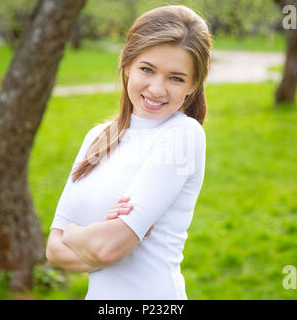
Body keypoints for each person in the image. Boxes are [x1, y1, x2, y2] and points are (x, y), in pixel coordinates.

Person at [46, 5, 212, 300]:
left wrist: (74, 234)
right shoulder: (98, 137)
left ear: (193, 85)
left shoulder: (182, 136)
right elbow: (53, 251)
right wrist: (99, 241)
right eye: (147, 69)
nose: (157, 88)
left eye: (176, 78)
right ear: (126, 65)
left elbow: (108, 248)